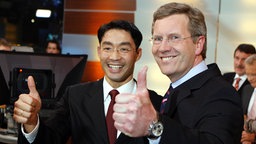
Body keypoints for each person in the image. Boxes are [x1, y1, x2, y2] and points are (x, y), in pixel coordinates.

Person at [13, 20, 162, 144]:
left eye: (124, 49)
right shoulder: (75, 96)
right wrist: (31, 122)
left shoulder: (157, 104)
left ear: (138, 54)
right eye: (108, 48)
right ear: (99, 51)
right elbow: (50, 140)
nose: (114, 56)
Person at [113, 2, 244, 144]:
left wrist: (155, 128)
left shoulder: (221, 93)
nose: (163, 48)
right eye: (158, 39)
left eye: (174, 37)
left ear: (198, 44)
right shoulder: (168, 94)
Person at [240, 54, 256, 143]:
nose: (249, 79)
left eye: (254, 75)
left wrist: (254, 138)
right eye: (247, 74)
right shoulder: (247, 89)